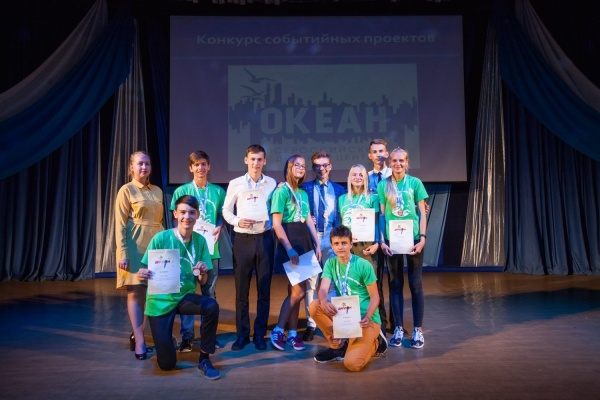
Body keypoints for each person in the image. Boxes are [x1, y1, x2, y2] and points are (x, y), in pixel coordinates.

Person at [138, 195, 221, 380]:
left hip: (184, 297)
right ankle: (167, 340)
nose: (187, 217)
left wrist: (202, 272)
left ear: (197, 215)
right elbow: (144, 270)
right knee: (167, 365)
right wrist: (142, 274)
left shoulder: (200, 241)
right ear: (175, 214)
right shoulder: (161, 238)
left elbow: (203, 282)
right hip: (160, 301)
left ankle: (205, 359)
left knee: (211, 306)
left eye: (191, 213)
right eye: (183, 212)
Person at [308, 225, 387, 372]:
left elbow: (375, 297)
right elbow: (323, 289)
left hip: (365, 319)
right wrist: (324, 301)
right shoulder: (330, 263)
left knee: (352, 364)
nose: (340, 247)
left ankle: (376, 343)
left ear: (351, 244)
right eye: (336, 243)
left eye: (344, 243)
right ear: (332, 245)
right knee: (315, 306)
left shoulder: (364, 265)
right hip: (345, 313)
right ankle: (338, 347)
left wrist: (368, 316)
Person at [170, 151, 226, 352]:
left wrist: (219, 226)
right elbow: (175, 218)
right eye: (196, 165)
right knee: (187, 293)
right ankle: (187, 337)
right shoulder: (182, 191)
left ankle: (208, 336)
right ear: (190, 168)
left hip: (210, 249)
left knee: (209, 293)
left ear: (209, 166)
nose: (200, 168)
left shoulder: (218, 192)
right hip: (186, 250)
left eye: (203, 164)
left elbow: (222, 215)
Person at [223, 144, 277, 351]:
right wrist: (238, 221)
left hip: (264, 239)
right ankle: (242, 335)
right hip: (243, 240)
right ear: (246, 160)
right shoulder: (235, 183)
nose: (256, 163)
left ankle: (260, 334)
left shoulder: (271, 183)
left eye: (259, 159)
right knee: (241, 291)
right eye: (252, 159)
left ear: (265, 161)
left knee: (264, 290)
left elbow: (276, 209)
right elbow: (226, 211)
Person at [115, 151, 164, 360]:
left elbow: (160, 221)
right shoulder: (126, 190)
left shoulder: (157, 190)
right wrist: (123, 252)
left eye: (147, 163)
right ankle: (140, 341)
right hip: (134, 246)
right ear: (131, 167)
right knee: (135, 292)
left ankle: (137, 335)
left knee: (151, 294)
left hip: (156, 245)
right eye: (140, 164)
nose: (144, 167)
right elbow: (119, 224)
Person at [378, 147, 428, 349]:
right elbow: (382, 215)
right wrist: (382, 240)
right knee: (395, 283)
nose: (398, 164)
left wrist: (422, 238)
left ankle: (418, 329)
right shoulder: (384, 184)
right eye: (394, 161)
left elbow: (422, 213)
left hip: (413, 237)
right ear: (390, 163)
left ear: (407, 163)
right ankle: (398, 327)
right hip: (392, 239)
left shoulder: (415, 183)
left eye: (401, 161)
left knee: (415, 283)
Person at [270, 155, 322, 351]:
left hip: (304, 240)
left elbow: (308, 220)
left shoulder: (302, 193)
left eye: (303, 166)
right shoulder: (281, 191)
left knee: (296, 290)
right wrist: (289, 247)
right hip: (291, 240)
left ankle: (292, 333)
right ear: (289, 168)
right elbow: (276, 224)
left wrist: (317, 244)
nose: (301, 168)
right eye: (297, 165)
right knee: (299, 291)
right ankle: (278, 329)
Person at [299, 151, 346, 341]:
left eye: (325, 165)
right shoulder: (305, 188)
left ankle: (333, 320)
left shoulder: (340, 190)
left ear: (330, 166)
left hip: (332, 238)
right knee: (311, 283)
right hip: (311, 237)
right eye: (318, 165)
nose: (322, 168)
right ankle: (311, 323)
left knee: (333, 281)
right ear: (313, 168)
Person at [338, 164, 387, 336]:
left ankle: (378, 327)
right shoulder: (342, 199)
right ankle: (352, 327)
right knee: (349, 286)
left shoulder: (372, 198)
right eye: (354, 174)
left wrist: (377, 243)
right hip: (348, 248)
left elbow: (379, 222)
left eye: (361, 174)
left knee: (372, 288)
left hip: (367, 248)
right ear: (349, 178)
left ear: (366, 178)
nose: (357, 177)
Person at [366, 139, 392, 335]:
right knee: (377, 281)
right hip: (373, 235)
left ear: (387, 153)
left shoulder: (395, 176)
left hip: (393, 234)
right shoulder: (364, 177)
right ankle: (381, 322)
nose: (378, 155)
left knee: (395, 281)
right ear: (370, 156)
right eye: (375, 152)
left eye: (381, 151)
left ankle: (397, 324)